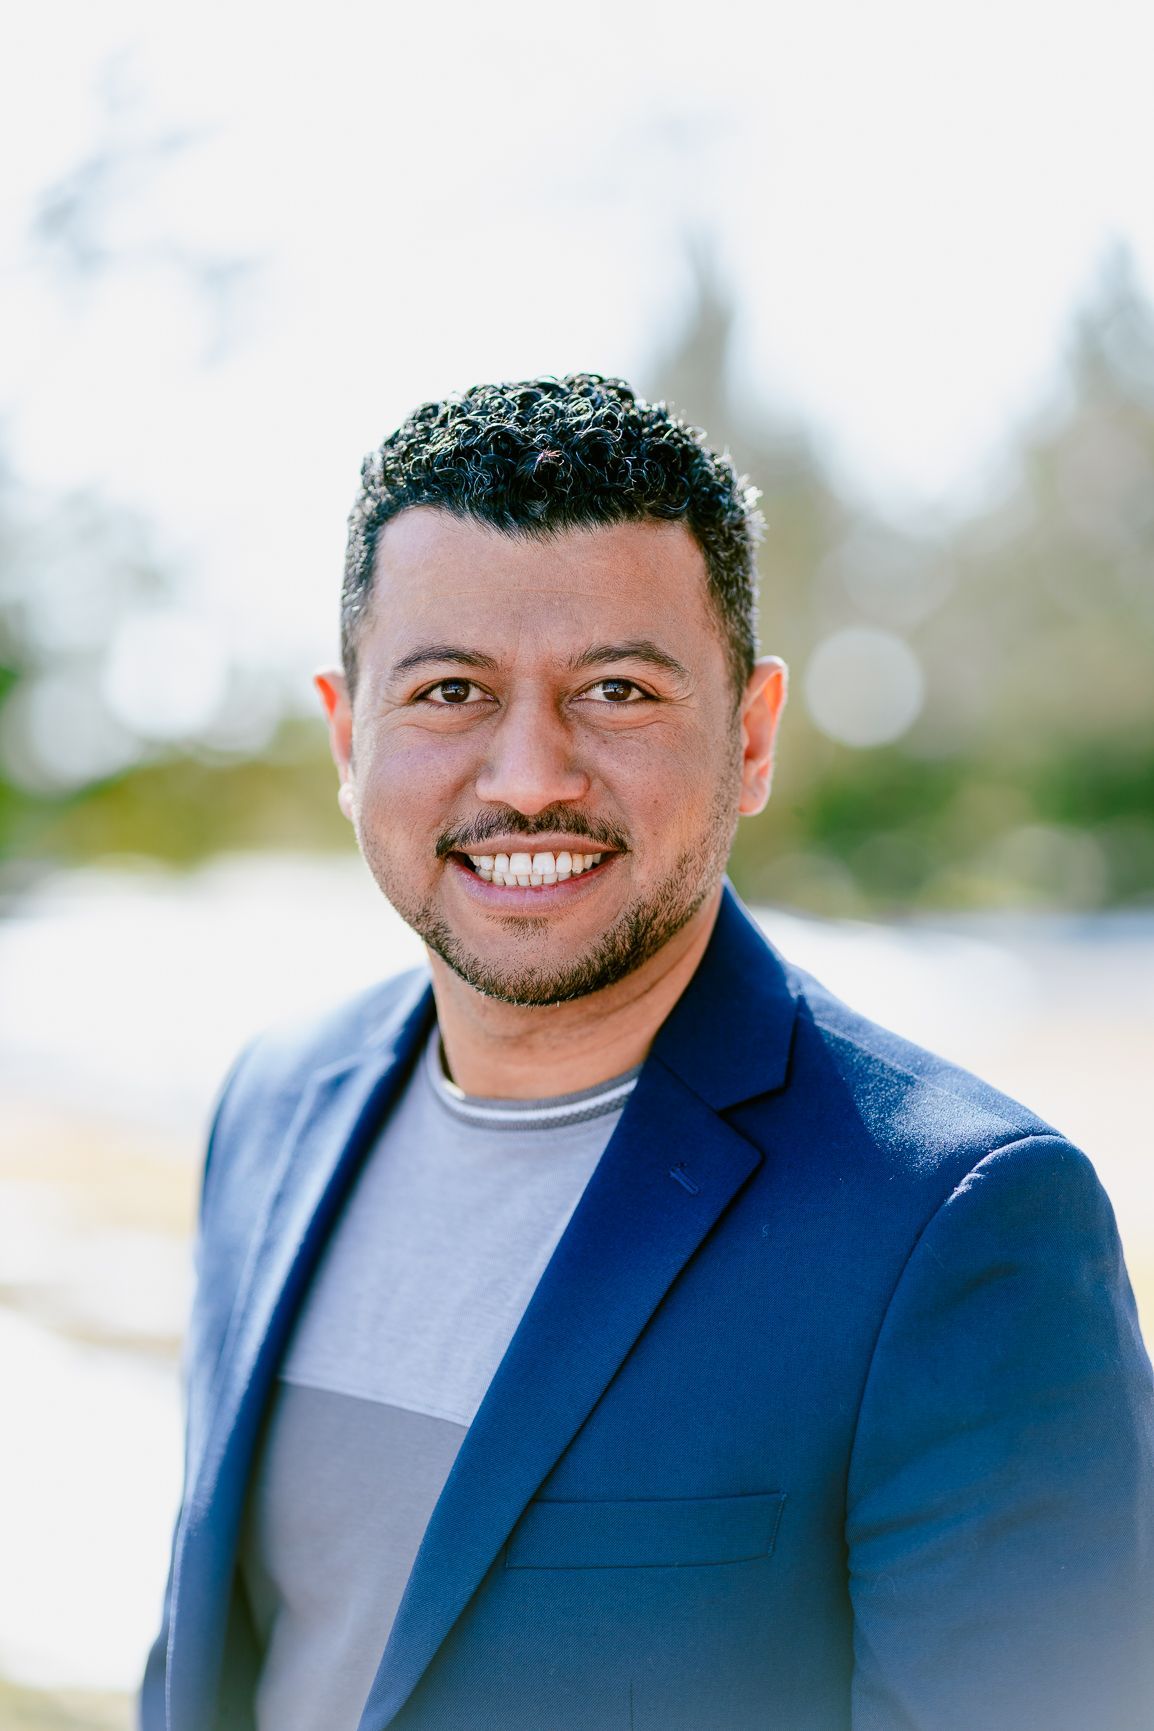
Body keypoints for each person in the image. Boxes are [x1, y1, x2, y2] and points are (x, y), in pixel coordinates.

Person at [142, 374, 1154, 1731]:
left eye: (616, 690)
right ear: (346, 735)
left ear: (750, 737)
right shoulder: (270, 1110)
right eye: (449, 691)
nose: (528, 777)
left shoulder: (963, 1225)